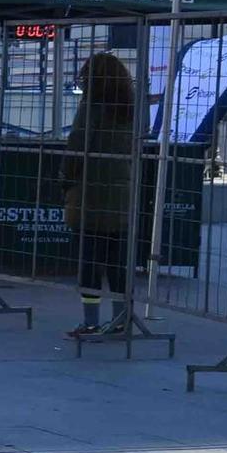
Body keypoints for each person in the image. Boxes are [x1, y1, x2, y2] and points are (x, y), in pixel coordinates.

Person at [62, 52, 137, 340]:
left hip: (90, 191)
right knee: (117, 260)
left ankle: (90, 321)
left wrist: (66, 180)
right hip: (121, 189)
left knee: (90, 260)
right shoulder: (128, 106)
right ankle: (120, 319)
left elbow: (78, 142)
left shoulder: (91, 104)